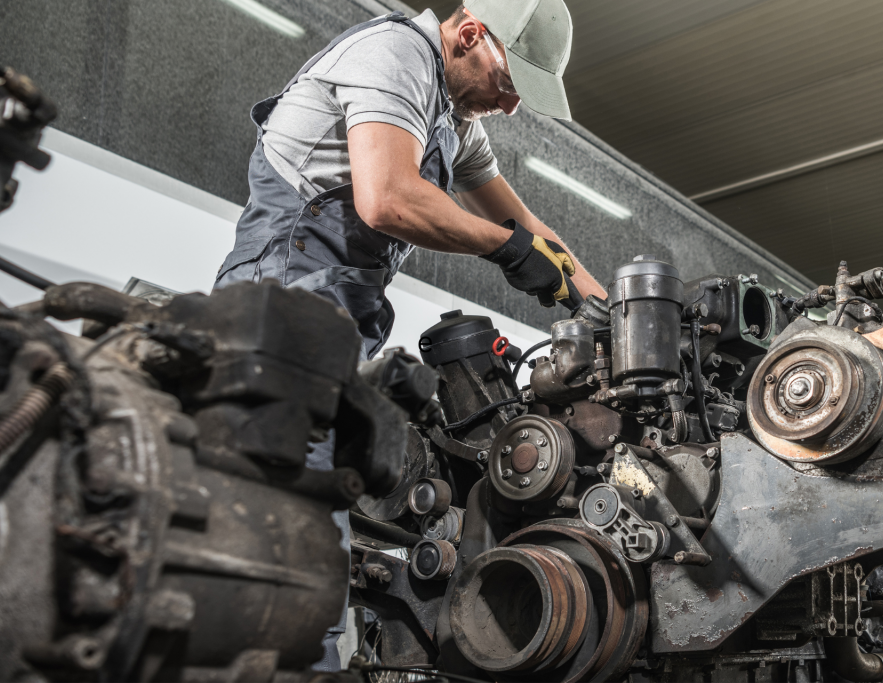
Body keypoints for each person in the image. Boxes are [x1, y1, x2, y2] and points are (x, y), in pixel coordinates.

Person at [214, 0, 606, 670]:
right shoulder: (394, 55)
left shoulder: (453, 121)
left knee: (333, 488)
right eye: (510, 85)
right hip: (285, 299)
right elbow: (387, 196)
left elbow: (537, 233)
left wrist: (608, 315)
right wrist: (507, 251)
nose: (511, 106)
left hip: (341, 319)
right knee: (294, 503)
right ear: (472, 35)